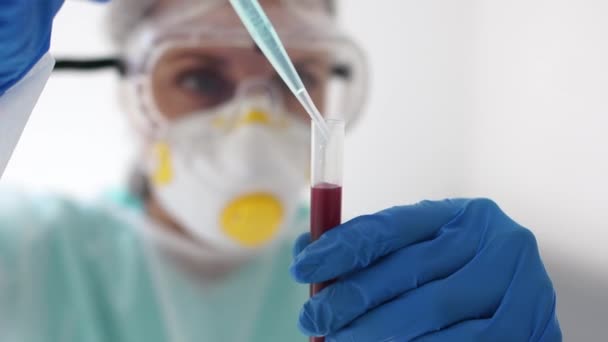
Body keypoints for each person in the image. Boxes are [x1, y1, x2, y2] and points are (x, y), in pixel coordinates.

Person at [0, 0, 562, 341]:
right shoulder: (25, 252)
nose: (252, 127)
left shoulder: (394, 284)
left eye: (291, 78)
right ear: (133, 95)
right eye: (199, 78)